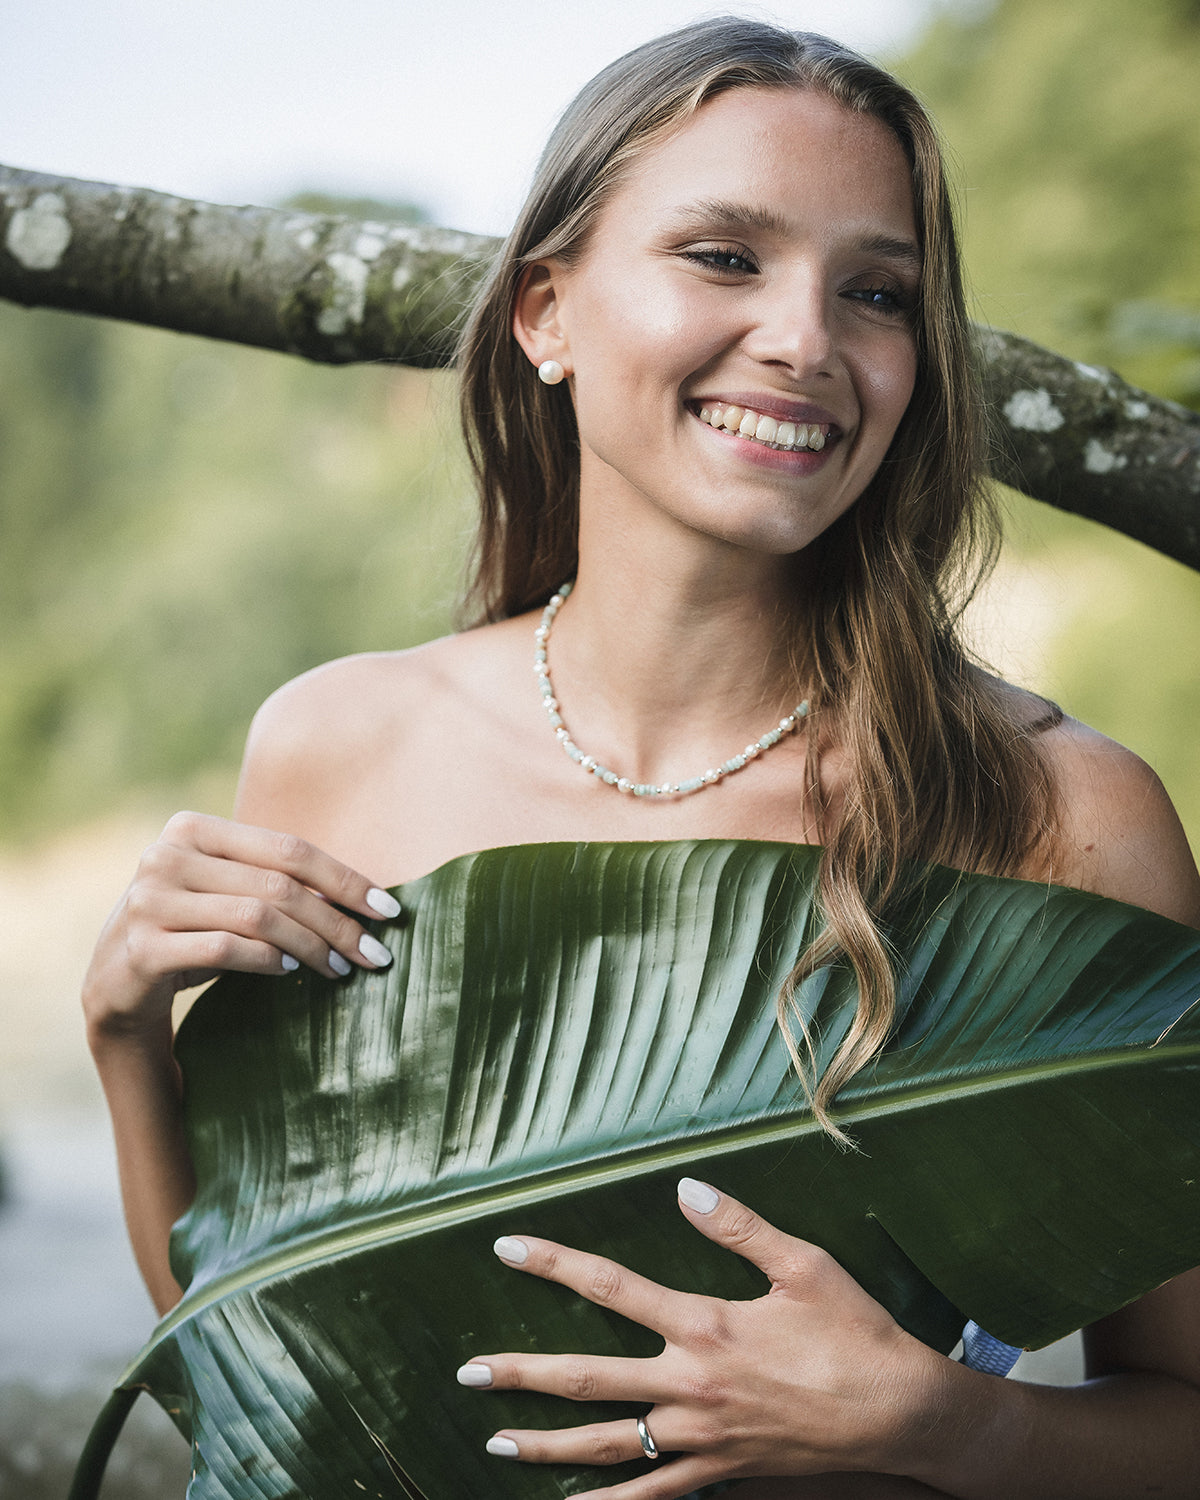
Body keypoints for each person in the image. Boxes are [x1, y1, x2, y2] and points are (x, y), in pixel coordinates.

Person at [82, 17, 1200, 1499]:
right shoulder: (339, 743)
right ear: (547, 313)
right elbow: (280, 1390)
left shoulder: (1061, 815)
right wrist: (127, 1052)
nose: (807, 337)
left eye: (877, 292)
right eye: (725, 257)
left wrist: (950, 1427)